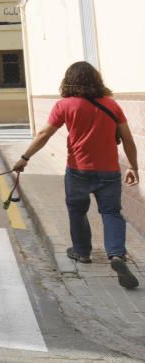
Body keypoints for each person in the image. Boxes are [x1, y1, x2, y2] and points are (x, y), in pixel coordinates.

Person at [12, 61, 140, 289]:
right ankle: (117, 255)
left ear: (69, 80)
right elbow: (128, 139)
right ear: (96, 79)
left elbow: (44, 134)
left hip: (78, 170)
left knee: (77, 210)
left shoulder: (65, 105)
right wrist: (133, 166)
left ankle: (81, 252)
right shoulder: (112, 105)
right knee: (111, 213)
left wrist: (25, 157)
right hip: (109, 170)